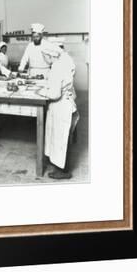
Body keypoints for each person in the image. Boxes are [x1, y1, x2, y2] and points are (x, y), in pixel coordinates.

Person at [36, 42, 80, 179]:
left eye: (44, 56)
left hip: (61, 107)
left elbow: (55, 94)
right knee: (60, 138)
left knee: (61, 139)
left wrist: (41, 92)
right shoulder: (60, 64)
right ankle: (59, 165)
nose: (44, 59)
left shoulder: (56, 68)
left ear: (49, 56)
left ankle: (63, 171)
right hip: (65, 105)